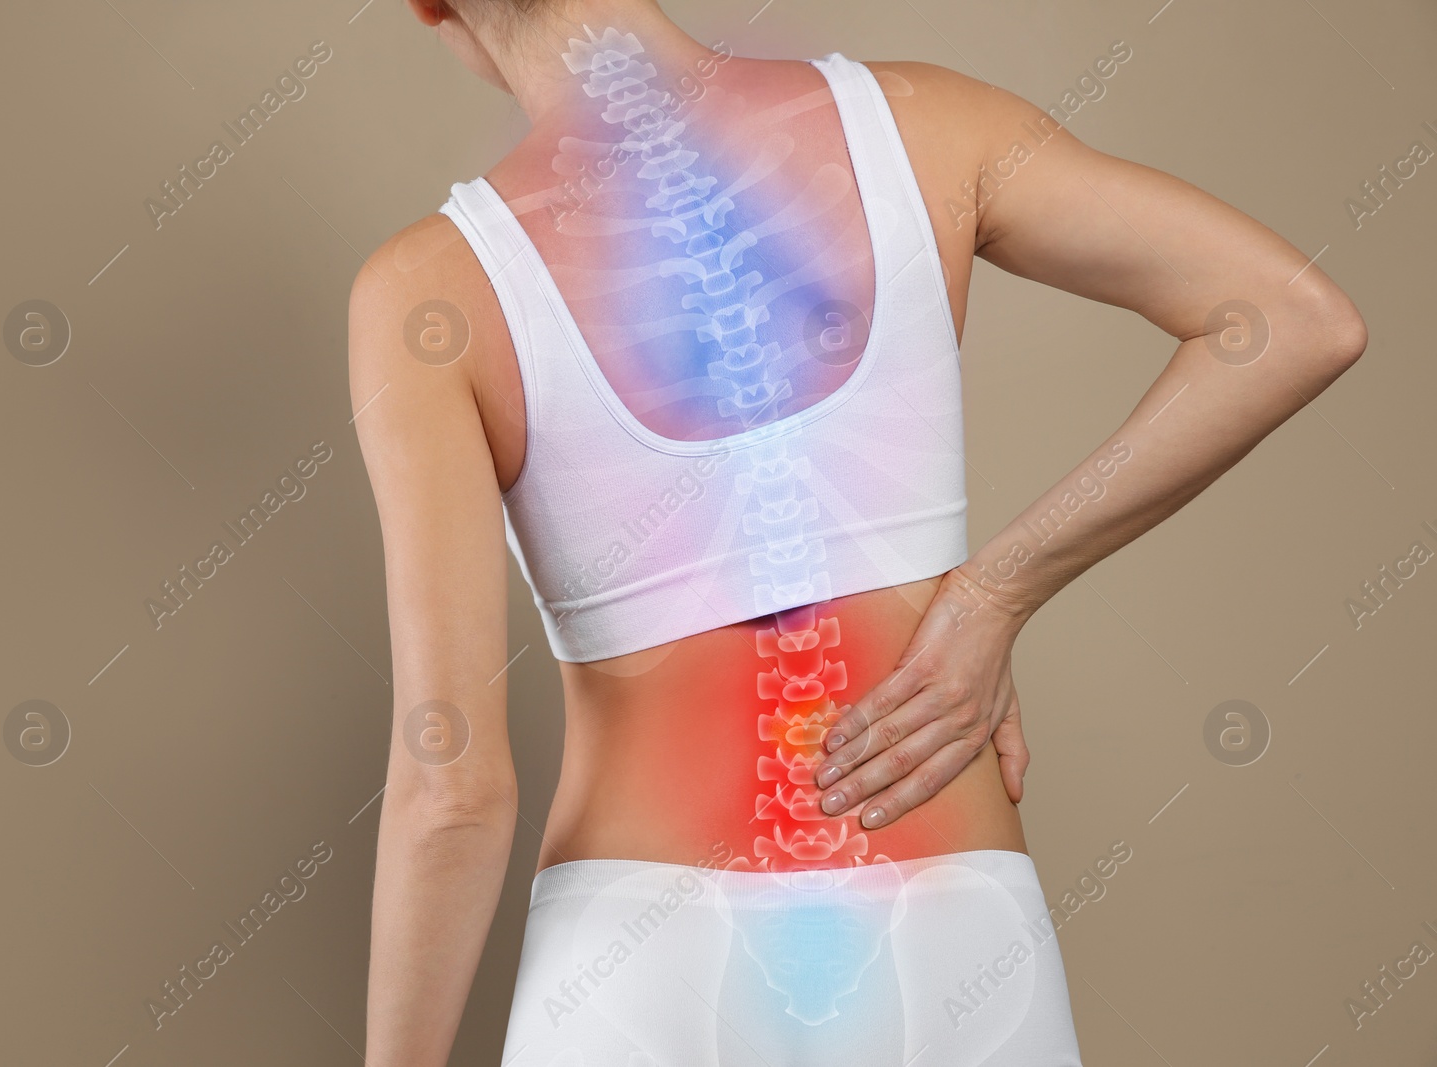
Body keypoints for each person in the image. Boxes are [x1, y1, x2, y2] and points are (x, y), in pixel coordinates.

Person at [348, 1, 1367, 1063]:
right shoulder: (932, 126)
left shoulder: (427, 292)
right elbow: (1293, 319)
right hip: (953, 935)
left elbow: (452, 791)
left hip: (640, 959)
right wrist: (993, 590)